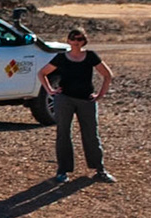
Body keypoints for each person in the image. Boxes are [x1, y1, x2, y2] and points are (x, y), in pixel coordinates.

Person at [39, 28, 115, 183]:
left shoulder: (90, 56)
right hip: (65, 99)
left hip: (86, 100)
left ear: (84, 41)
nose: (76, 42)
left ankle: (99, 169)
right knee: (63, 133)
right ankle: (62, 170)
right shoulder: (61, 57)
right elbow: (42, 73)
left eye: (80, 39)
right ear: (68, 40)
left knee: (91, 134)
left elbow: (107, 75)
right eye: (73, 38)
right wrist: (50, 90)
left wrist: (100, 95)